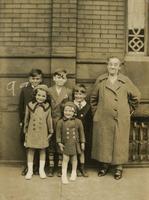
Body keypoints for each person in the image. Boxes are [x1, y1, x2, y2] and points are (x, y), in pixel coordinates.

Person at [90, 57, 141, 180]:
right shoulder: (101, 80)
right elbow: (93, 99)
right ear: (107, 66)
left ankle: (118, 167)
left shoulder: (125, 81)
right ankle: (104, 165)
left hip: (120, 118)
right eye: (110, 64)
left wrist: (128, 111)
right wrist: (97, 113)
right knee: (104, 142)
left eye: (115, 65)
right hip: (103, 118)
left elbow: (136, 96)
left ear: (120, 67)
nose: (112, 67)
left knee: (119, 142)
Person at [24, 84, 53, 180]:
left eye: (43, 96)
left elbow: (49, 120)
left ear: (46, 97)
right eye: (39, 95)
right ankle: (30, 170)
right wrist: (25, 131)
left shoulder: (47, 106)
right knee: (31, 150)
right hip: (32, 132)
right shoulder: (29, 105)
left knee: (42, 150)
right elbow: (26, 119)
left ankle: (41, 170)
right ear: (35, 95)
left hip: (43, 132)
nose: (40, 98)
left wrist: (51, 131)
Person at [47, 69, 72, 177]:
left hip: (63, 121)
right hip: (51, 120)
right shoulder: (49, 90)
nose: (60, 80)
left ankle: (61, 167)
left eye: (63, 77)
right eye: (58, 77)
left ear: (65, 79)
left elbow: (70, 106)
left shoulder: (68, 91)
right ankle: (51, 167)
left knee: (62, 143)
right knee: (51, 143)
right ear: (54, 78)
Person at [19, 68, 43, 176]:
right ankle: (28, 166)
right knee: (27, 144)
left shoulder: (42, 90)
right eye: (33, 78)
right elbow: (20, 106)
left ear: (41, 79)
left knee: (38, 143)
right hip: (27, 121)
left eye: (37, 78)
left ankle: (37, 166)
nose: (35, 81)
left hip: (39, 122)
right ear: (29, 79)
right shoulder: (25, 90)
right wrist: (21, 121)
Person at [56, 101, 85, 184]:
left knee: (74, 159)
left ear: (74, 112)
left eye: (70, 111)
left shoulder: (78, 122)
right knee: (65, 159)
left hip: (75, 144)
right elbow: (58, 134)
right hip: (65, 144)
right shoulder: (60, 122)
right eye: (66, 110)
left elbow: (81, 133)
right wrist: (59, 142)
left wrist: (82, 142)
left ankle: (73, 172)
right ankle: (64, 175)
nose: (67, 113)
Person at [73, 84, 92, 177]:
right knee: (74, 150)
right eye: (76, 94)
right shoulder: (71, 106)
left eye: (81, 94)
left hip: (84, 133)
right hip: (73, 132)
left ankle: (82, 167)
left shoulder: (88, 107)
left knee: (82, 150)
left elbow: (89, 123)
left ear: (85, 95)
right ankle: (75, 167)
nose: (78, 96)